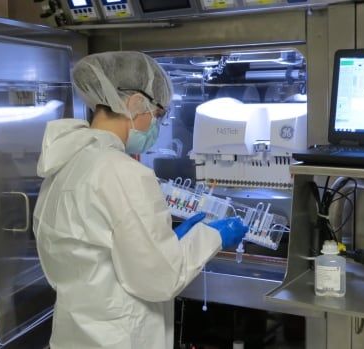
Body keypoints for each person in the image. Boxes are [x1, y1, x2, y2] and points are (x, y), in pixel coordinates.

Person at [33, 51, 248, 349]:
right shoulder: (123, 172)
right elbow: (160, 279)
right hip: (122, 339)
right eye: (158, 114)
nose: (156, 125)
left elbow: (92, 249)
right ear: (136, 104)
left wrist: (164, 242)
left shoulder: (64, 165)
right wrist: (212, 236)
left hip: (74, 334)